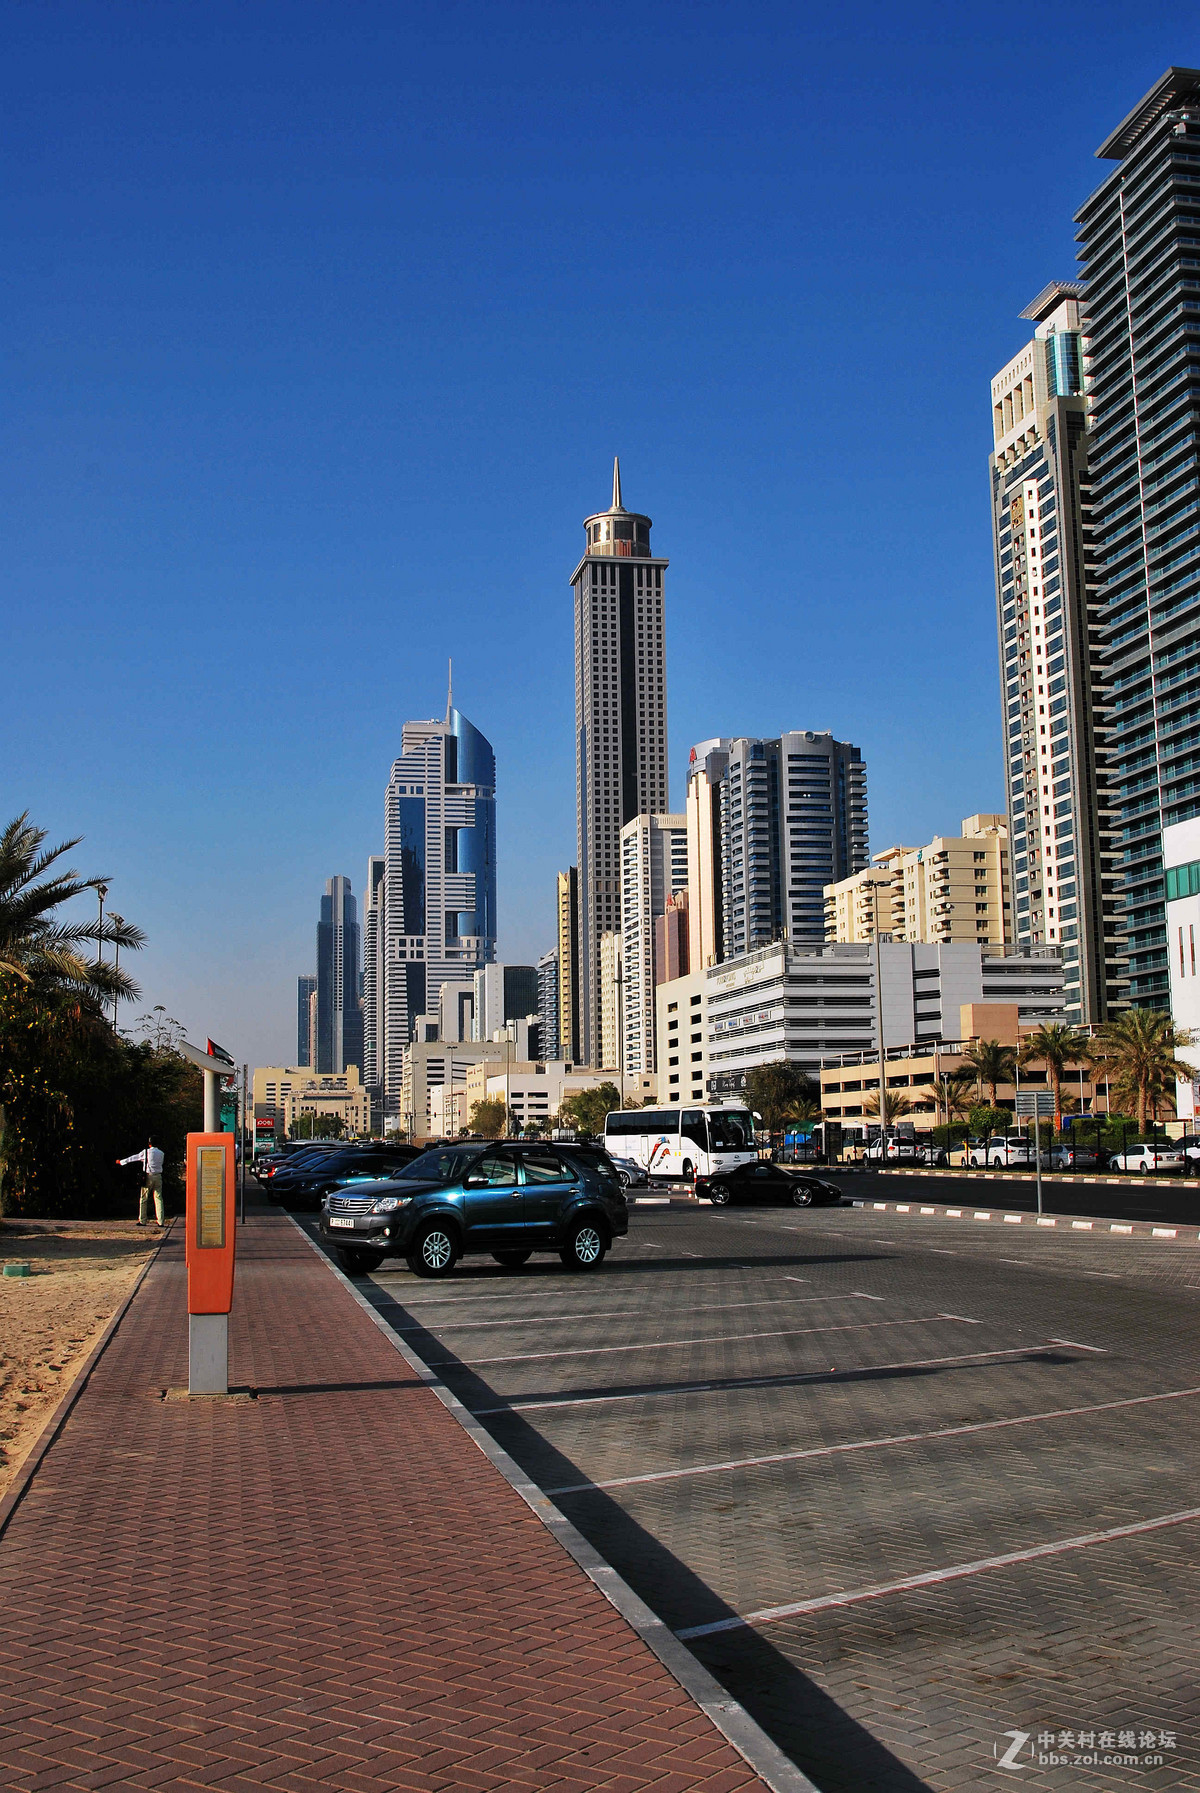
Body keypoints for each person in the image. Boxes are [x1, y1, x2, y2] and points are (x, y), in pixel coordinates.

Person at [117, 1137, 166, 1226]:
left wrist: (122, 1162)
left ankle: (143, 1220)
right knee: (158, 1198)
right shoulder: (161, 1153)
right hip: (158, 1176)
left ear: (149, 1143)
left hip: (148, 1176)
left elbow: (134, 1158)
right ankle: (161, 1221)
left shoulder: (146, 1152)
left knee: (144, 1198)